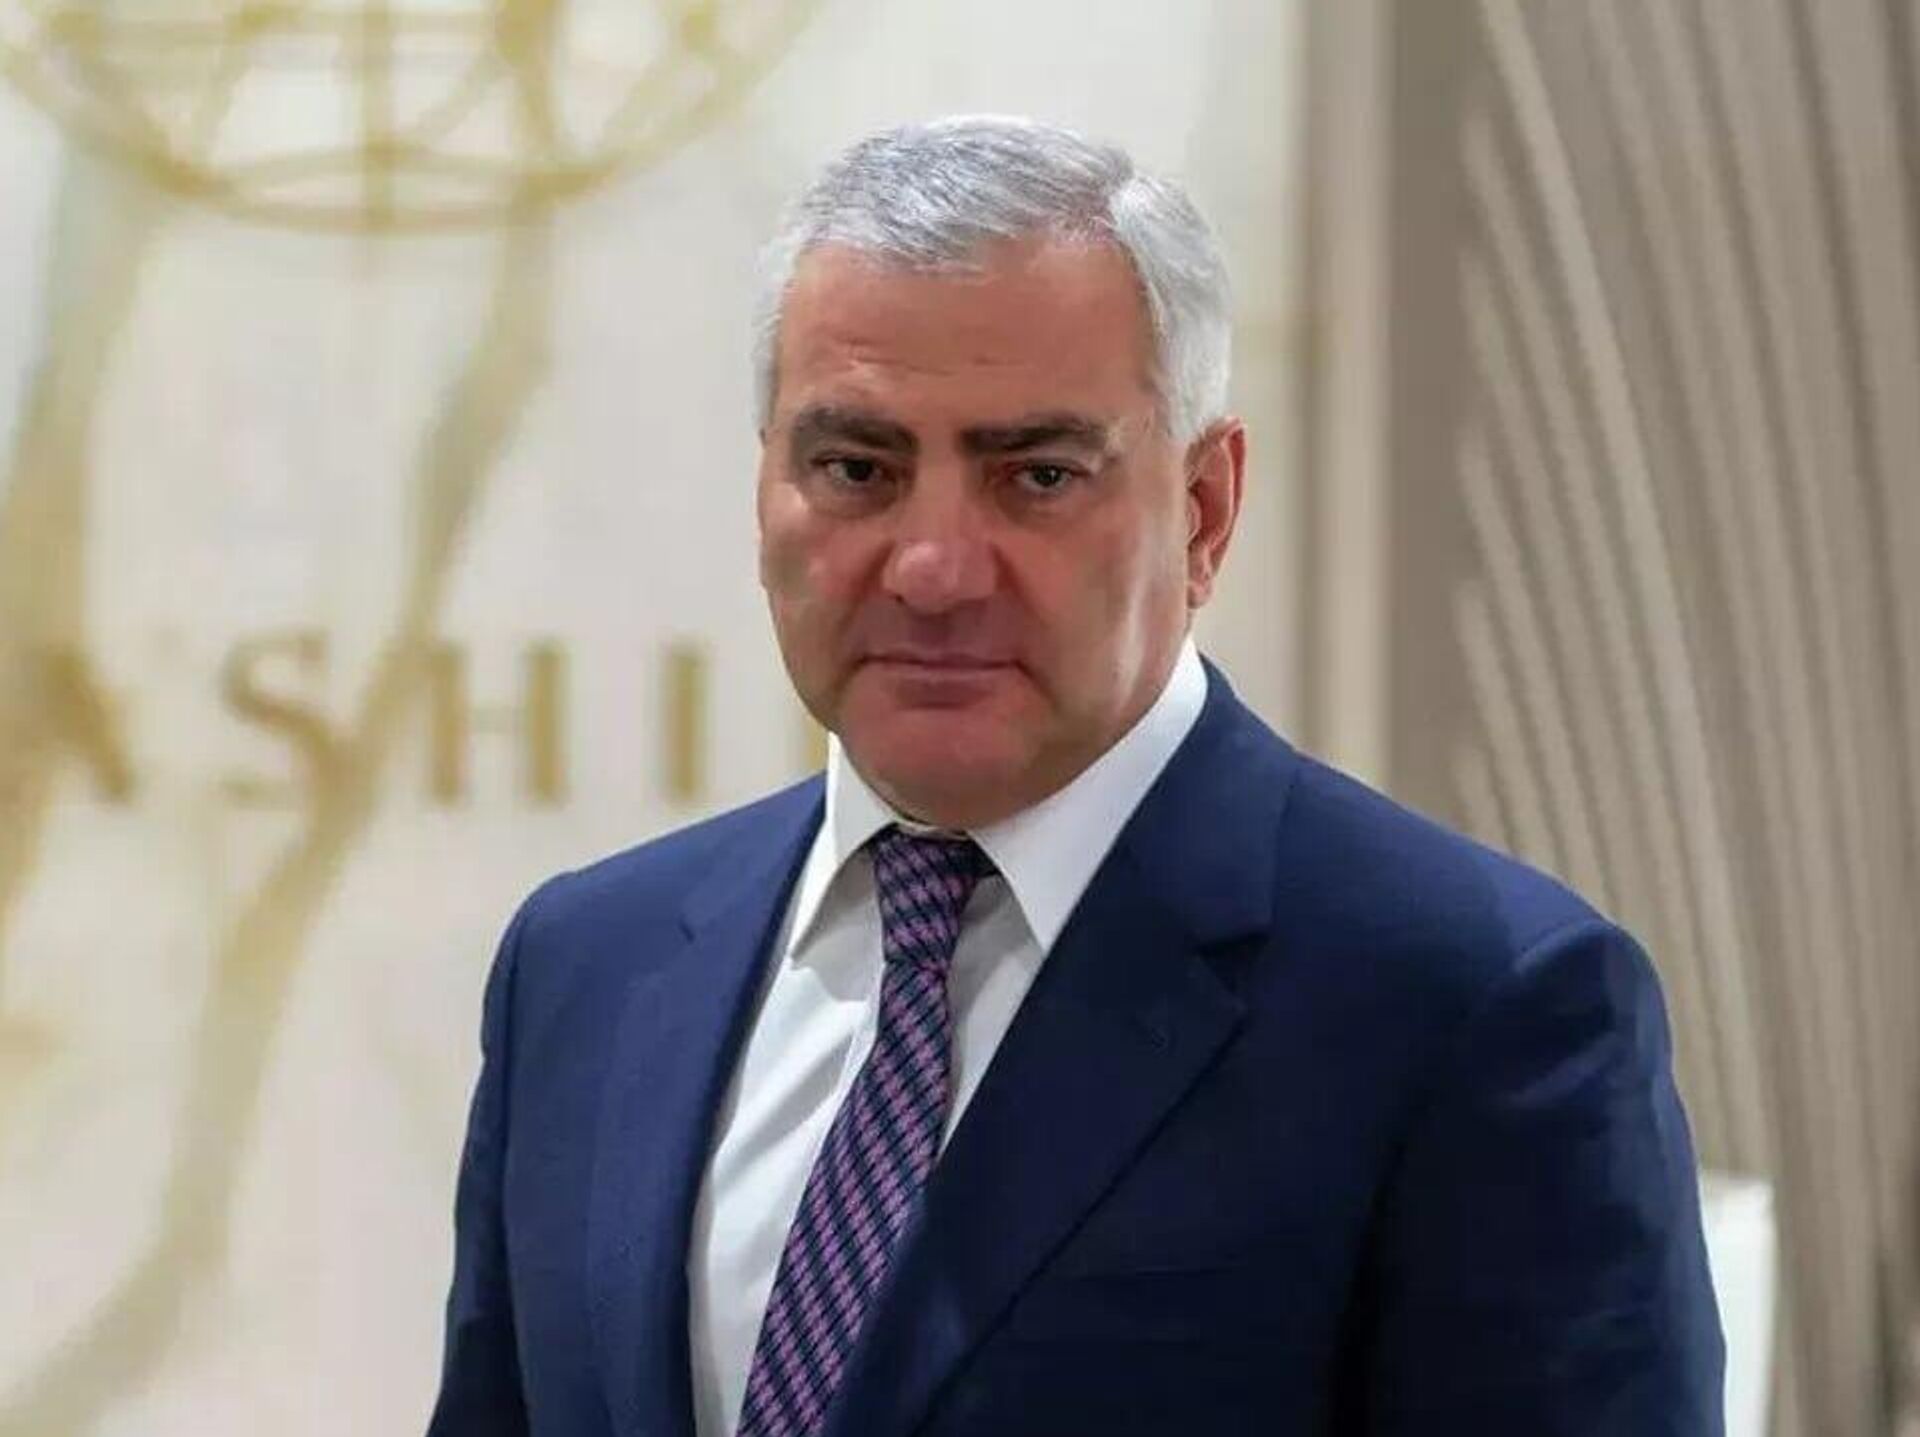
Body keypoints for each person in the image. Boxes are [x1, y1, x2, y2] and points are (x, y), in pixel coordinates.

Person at [427, 115, 1725, 1437]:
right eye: (858, 468)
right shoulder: (586, 966)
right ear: (767, 485)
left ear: (1205, 509)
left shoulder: (1477, 1006)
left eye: (1037, 476)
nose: (933, 567)